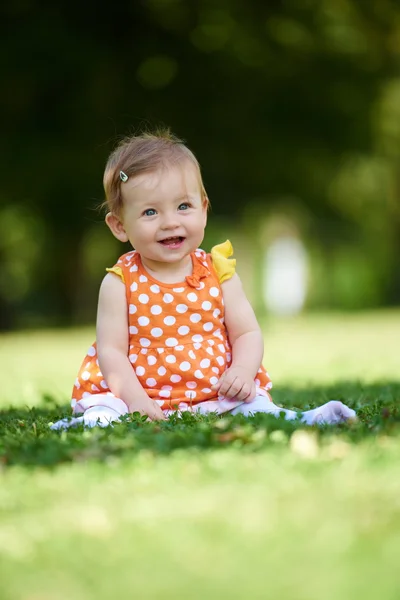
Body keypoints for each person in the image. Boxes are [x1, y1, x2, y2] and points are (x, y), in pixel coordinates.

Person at [51, 130, 356, 429]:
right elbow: (111, 352)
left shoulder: (218, 272)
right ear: (119, 226)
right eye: (150, 212)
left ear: (204, 210)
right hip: (136, 392)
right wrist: (136, 401)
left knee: (254, 407)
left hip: (215, 391)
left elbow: (246, 333)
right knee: (107, 410)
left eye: (183, 206)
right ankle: (92, 422)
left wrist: (241, 371)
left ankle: (309, 419)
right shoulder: (120, 283)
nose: (170, 222)